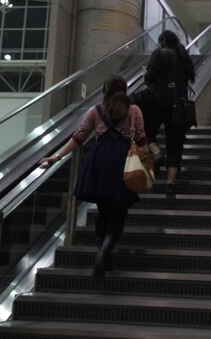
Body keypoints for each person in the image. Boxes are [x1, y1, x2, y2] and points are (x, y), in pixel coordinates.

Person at [40, 75, 147, 280]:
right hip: (123, 162)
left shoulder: (96, 111)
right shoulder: (134, 111)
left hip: (99, 161)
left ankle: (101, 247)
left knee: (103, 210)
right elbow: (141, 139)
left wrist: (56, 156)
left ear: (105, 90)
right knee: (119, 213)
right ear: (125, 90)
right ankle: (106, 249)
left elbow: (78, 136)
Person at [137, 30, 195, 198]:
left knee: (146, 131)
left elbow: (150, 79)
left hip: (158, 102)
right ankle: (170, 185)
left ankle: (157, 152)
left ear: (163, 41)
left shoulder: (159, 54)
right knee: (175, 145)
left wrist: (145, 73)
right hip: (179, 106)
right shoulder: (184, 57)